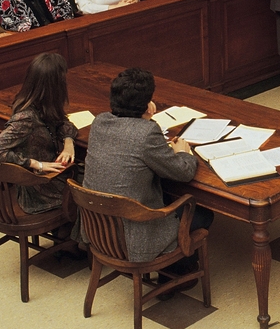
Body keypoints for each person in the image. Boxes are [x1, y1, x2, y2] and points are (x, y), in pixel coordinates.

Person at [83, 67, 212, 296]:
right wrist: (183, 152)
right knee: (203, 213)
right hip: (135, 238)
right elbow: (182, 173)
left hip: (98, 231)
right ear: (147, 104)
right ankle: (173, 275)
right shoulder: (146, 132)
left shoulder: (100, 122)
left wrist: (143, 117)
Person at [0, 53, 78, 215]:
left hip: (48, 179)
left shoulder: (41, 105)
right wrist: (35, 164)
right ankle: (75, 234)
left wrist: (68, 142)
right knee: (90, 193)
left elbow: (62, 121)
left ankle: (66, 231)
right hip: (39, 189)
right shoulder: (26, 118)